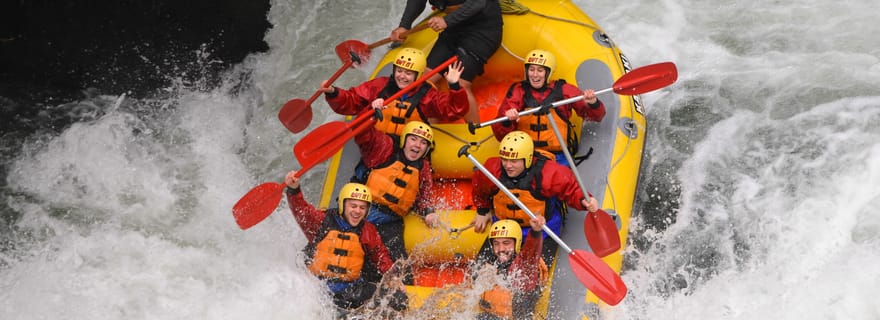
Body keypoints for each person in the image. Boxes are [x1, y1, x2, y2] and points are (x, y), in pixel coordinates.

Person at [471, 131, 601, 265]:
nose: (508, 165)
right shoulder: (492, 169)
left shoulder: (549, 173)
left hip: (542, 231)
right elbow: (479, 186)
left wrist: (584, 200)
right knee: (478, 273)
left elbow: (572, 189)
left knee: (533, 280)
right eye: (505, 159)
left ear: (527, 159)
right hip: (504, 232)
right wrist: (482, 210)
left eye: (514, 161)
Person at [284, 172, 408, 312]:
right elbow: (302, 211)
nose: (357, 211)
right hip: (319, 288)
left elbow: (380, 256)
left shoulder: (368, 230)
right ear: (343, 204)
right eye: (353, 206)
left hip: (351, 289)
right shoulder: (321, 221)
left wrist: (393, 277)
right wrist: (294, 190)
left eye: (362, 207)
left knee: (399, 300)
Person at [390, 0, 504, 123]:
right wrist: (405, 25)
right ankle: (431, 125)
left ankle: (475, 133)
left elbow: (478, 2)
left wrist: (447, 21)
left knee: (460, 84)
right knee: (424, 79)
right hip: (454, 29)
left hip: (482, 31)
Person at [321, 47, 469, 138]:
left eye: (408, 73)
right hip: (378, 146)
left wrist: (454, 86)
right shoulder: (380, 86)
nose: (402, 76)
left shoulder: (427, 95)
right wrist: (333, 93)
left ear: (418, 75)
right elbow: (352, 101)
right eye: (399, 71)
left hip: (409, 152)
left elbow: (453, 110)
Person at [352, 120, 440, 269]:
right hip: (362, 211)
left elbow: (424, 196)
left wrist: (428, 212)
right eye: (413, 139)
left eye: (423, 143)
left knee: (398, 265)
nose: (417, 145)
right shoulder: (385, 147)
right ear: (404, 140)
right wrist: (372, 115)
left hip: (390, 221)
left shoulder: (423, 167)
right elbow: (364, 136)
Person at [492, 49, 606, 163]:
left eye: (540, 70)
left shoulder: (565, 90)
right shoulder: (518, 91)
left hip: (558, 155)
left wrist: (593, 103)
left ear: (548, 72)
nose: (535, 74)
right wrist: (507, 120)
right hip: (524, 154)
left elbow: (596, 117)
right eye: (531, 69)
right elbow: (500, 135)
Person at [474, 218, 548, 320]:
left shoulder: (523, 269)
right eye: (496, 243)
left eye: (506, 243)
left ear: (516, 243)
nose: (501, 249)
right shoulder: (491, 265)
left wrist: (535, 233)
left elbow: (530, 254)